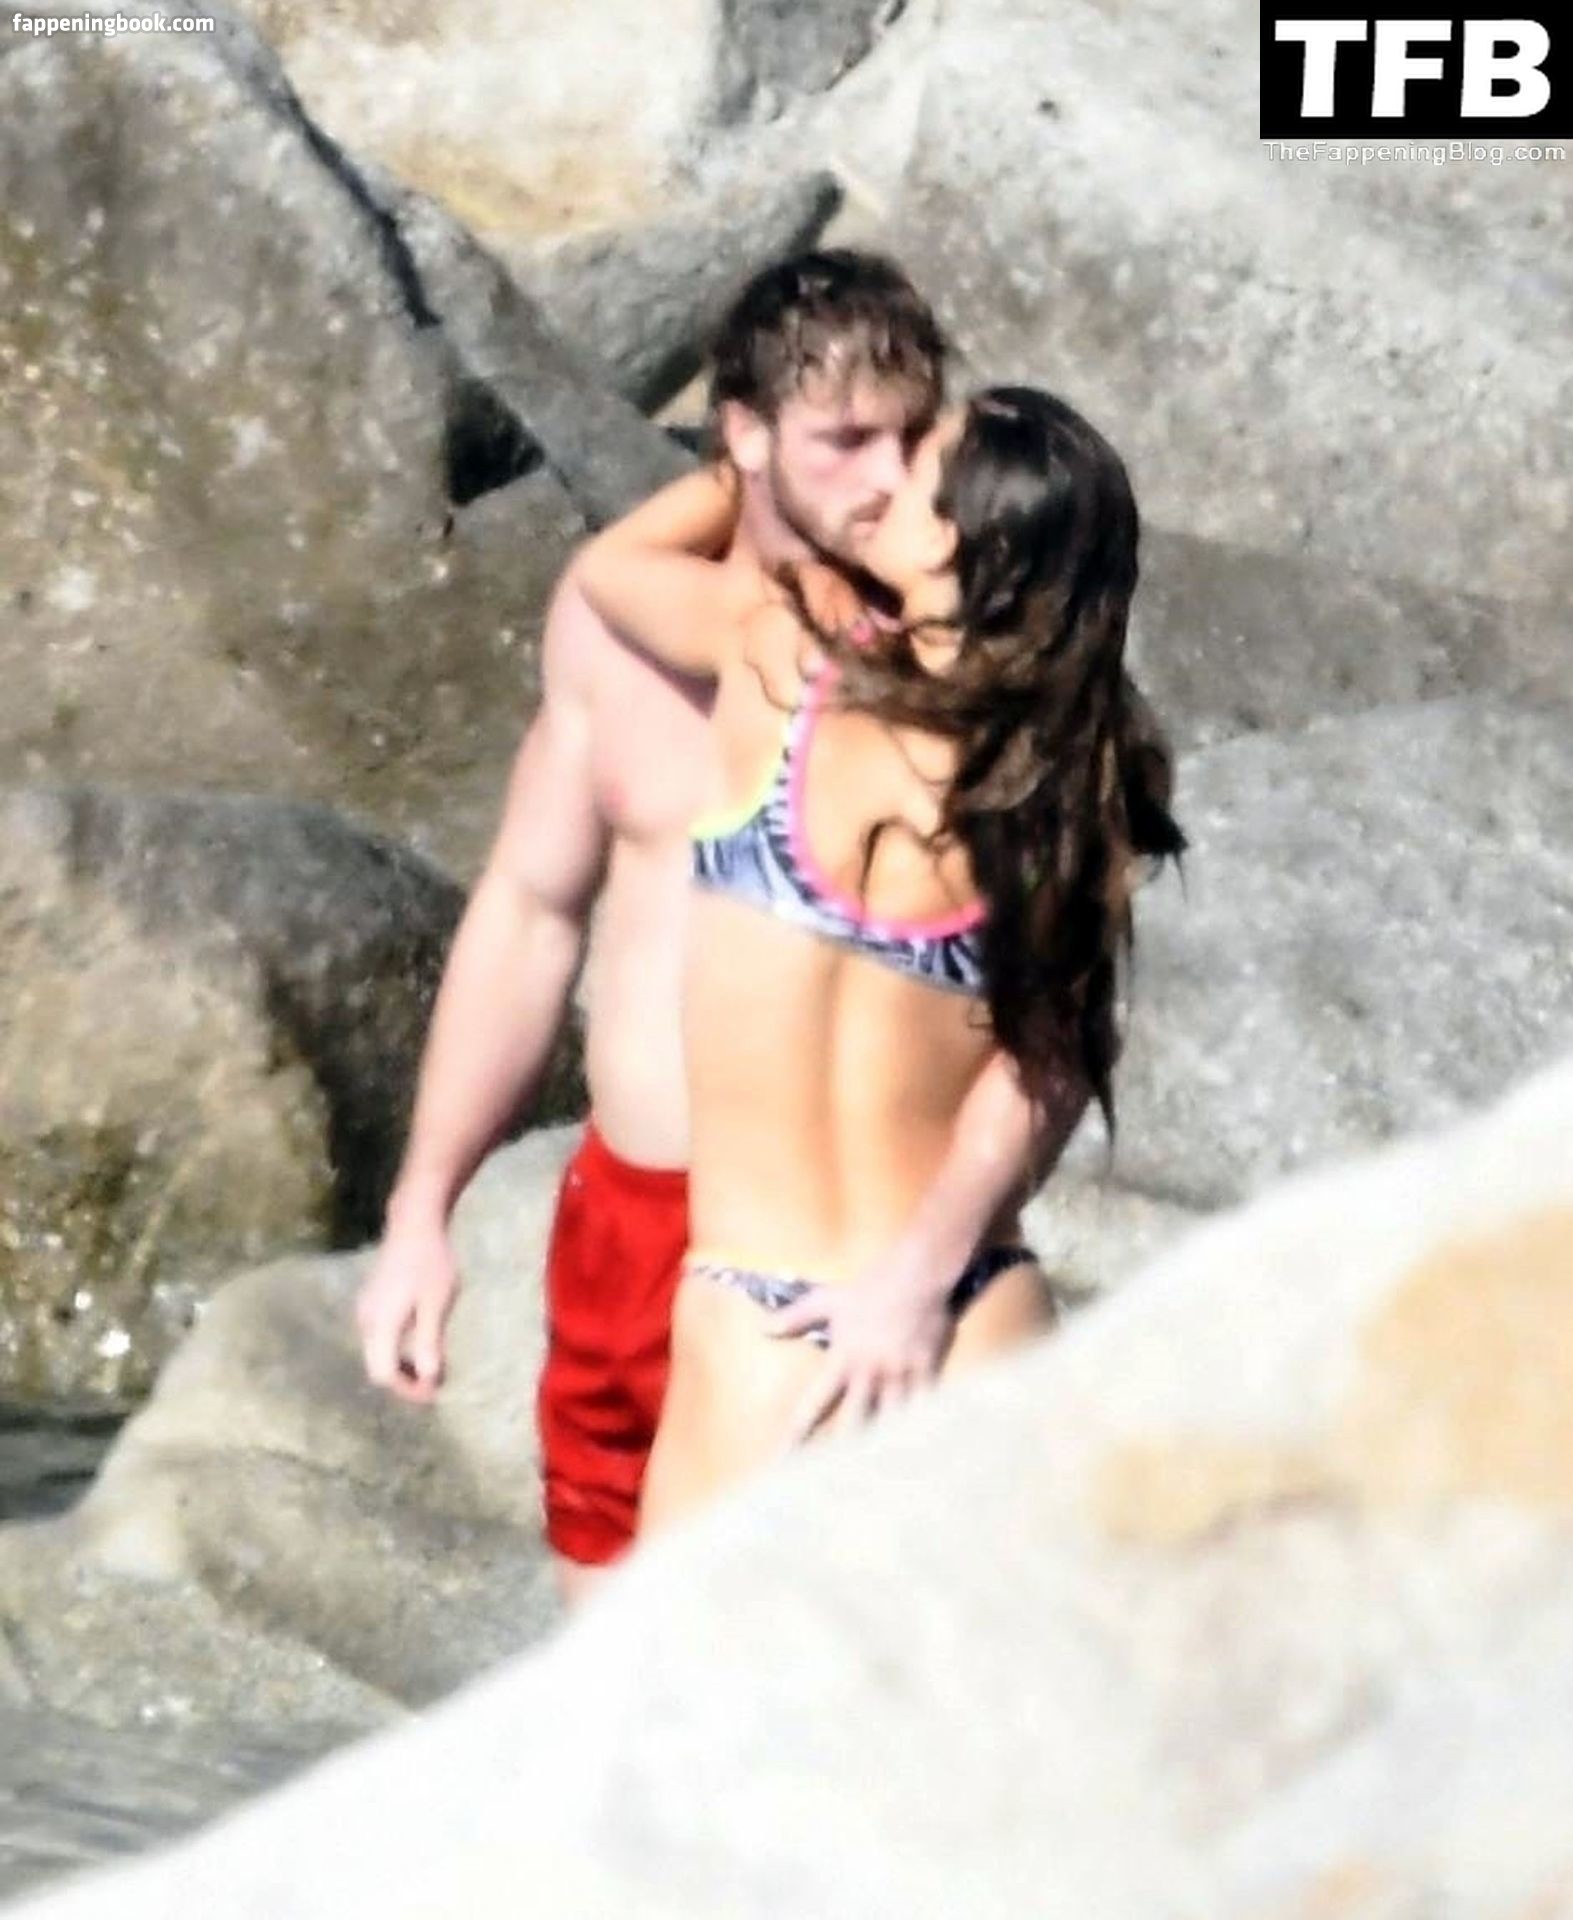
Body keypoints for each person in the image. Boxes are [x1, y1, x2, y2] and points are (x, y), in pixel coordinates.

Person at [354, 252, 1065, 1606]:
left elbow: (1057, 1015)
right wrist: (421, 1210)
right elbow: (528, 911)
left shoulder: (937, 648)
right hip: (637, 1218)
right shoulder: (615, 628)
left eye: (913, 438)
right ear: (745, 434)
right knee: (613, 1657)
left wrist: (934, 1257)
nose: (886, 479)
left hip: (842, 1244)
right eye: (843, 439)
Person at [572, 383, 1186, 1531]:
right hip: (954, 1315)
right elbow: (1047, 1064)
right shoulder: (1058, 776)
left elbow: (616, 568)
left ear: (953, 539)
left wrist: (762, 455)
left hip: (762, 1330)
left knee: (683, 1654)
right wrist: (914, 1283)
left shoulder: (783, 662)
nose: (883, 474)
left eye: (913, 464)